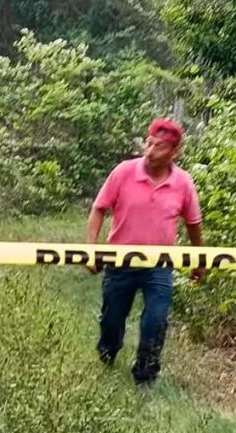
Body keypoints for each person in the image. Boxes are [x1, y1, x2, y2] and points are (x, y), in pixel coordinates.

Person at [86, 118, 204, 385]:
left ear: (175, 153)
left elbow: (194, 224)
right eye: (149, 143)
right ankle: (107, 354)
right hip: (120, 262)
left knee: (156, 321)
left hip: (159, 266)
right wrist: (91, 249)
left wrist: (199, 260)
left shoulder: (183, 183)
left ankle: (145, 376)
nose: (151, 151)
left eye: (160, 147)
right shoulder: (124, 172)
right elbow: (98, 209)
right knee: (112, 321)